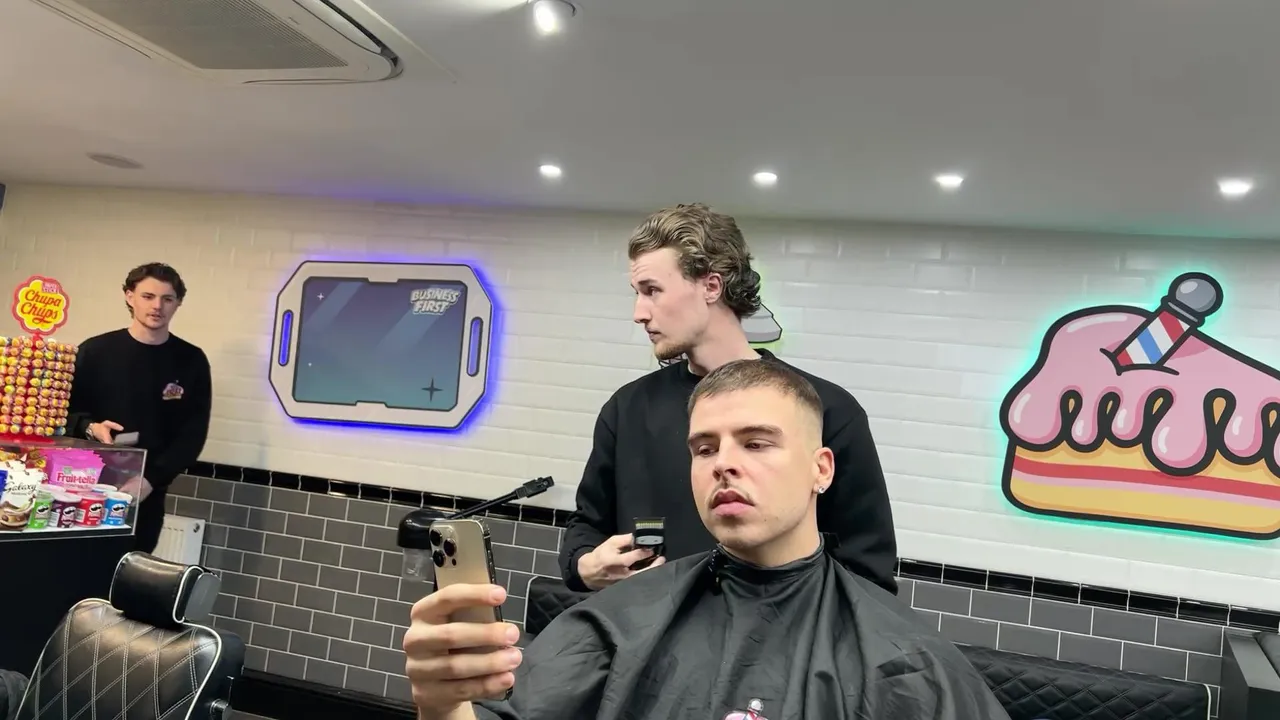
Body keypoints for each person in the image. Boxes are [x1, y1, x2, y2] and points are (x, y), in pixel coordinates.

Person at [405, 360, 1009, 720]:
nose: (723, 463)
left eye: (756, 442)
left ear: (821, 469)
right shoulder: (620, 622)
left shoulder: (904, 660)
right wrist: (443, 705)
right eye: (704, 448)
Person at [559, 203, 898, 595]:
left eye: (652, 291)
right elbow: (586, 526)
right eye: (637, 293)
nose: (639, 313)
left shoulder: (827, 410)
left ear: (711, 286)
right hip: (644, 630)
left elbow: (866, 574)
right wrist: (585, 566)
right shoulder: (628, 409)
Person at [67, 263, 212, 553]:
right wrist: (90, 427)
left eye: (167, 299)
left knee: (132, 570)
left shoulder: (191, 361)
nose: (157, 306)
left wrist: (149, 480)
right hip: (84, 486)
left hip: (146, 494)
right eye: (148, 296)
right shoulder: (94, 352)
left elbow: (192, 435)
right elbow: (64, 413)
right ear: (129, 296)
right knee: (78, 568)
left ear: (178, 303)